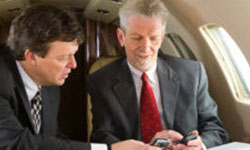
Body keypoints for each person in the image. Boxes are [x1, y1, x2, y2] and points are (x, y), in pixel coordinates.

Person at [0, 4, 161, 150]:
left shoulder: (47, 81)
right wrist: (108, 149)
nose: (73, 65)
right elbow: (18, 145)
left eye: (74, 55)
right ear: (32, 56)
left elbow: (52, 141)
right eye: (64, 57)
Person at [87, 0, 229, 149]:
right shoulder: (101, 81)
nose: (146, 47)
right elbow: (101, 136)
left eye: (153, 38)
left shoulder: (193, 74)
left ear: (162, 38)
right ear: (121, 37)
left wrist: (200, 144)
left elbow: (215, 128)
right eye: (137, 38)